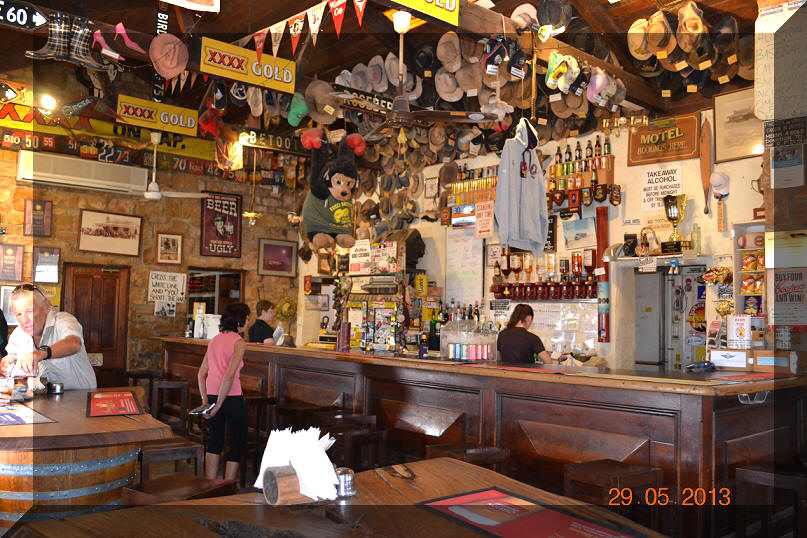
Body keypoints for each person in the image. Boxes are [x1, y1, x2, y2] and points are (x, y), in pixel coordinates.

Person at [1, 284, 96, 389]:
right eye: (19, 314)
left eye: (30, 311)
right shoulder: (18, 334)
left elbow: (74, 343)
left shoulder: (63, 320)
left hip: (80, 399)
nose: (25, 320)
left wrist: (41, 353)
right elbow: (10, 359)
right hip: (43, 399)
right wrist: (5, 365)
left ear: (47, 307)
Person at [197, 302, 250, 481]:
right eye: (247, 318)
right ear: (239, 321)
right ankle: (228, 485)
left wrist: (206, 401)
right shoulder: (239, 342)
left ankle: (210, 484)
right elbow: (228, 377)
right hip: (232, 397)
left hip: (211, 395)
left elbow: (201, 373)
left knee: (215, 441)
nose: (248, 322)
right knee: (236, 442)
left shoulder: (215, 340)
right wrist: (219, 404)